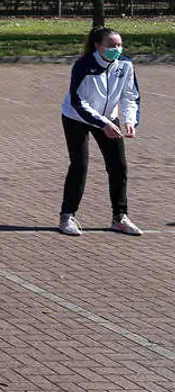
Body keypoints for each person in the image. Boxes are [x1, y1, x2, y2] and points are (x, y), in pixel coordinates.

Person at [59, 26, 142, 236]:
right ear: (98, 46)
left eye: (120, 45)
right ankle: (67, 216)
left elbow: (130, 95)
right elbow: (78, 102)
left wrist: (130, 120)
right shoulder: (83, 66)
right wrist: (103, 123)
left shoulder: (125, 65)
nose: (117, 49)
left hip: (108, 118)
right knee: (79, 165)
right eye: (112, 45)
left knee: (118, 166)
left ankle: (119, 217)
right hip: (77, 117)